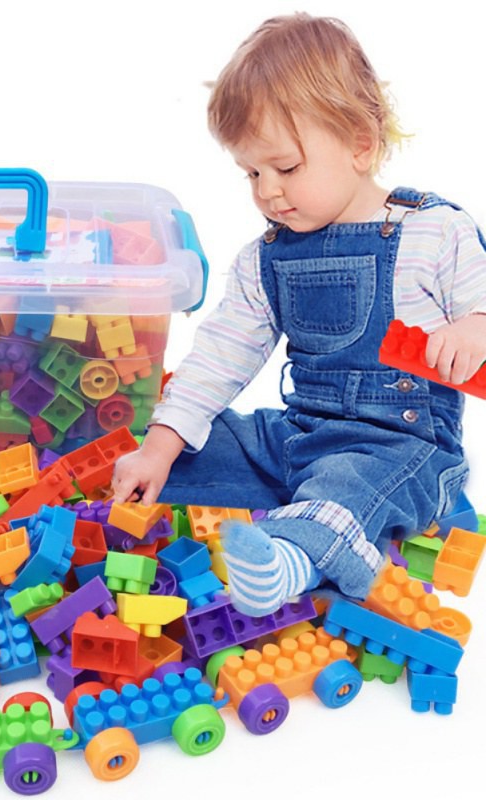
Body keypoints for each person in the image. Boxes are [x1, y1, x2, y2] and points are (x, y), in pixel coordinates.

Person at [111, 13, 486, 617]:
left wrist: (475, 327)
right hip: (301, 433)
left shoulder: (434, 232)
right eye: (251, 173)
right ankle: (116, 491)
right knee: (201, 441)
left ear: (360, 145)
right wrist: (159, 445)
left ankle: (293, 557)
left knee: (348, 485)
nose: (267, 192)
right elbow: (221, 354)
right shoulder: (266, 257)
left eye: (285, 168)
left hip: (401, 448)